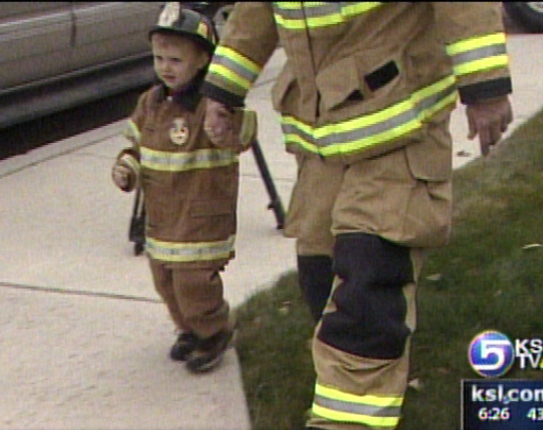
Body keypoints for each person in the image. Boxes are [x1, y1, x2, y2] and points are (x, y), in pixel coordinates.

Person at [200, 2, 513, 428]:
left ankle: (347, 422)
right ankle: (360, 383)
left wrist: (487, 88)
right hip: (322, 145)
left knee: (369, 286)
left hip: (400, 131)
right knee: (321, 279)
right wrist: (223, 91)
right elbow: (256, 12)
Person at [111, 2, 256, 373]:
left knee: (194, 281)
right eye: (159, 58)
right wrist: (126, 167)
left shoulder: (213, 105)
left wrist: (231, 122)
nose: (165, 67)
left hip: (202, 215)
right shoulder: (151, 103)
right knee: (165, 281)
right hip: (162, 218)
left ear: (203, 60)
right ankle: (189, 328)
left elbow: (241, 135)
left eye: (175, 59)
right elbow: (135, 145)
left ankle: (214, 330)